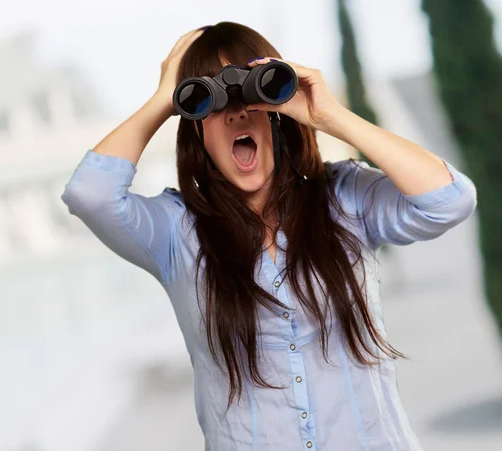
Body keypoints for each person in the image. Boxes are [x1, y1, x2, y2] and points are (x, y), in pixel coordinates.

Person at [61, 22, 477, 451]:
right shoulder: (175, 233)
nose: (237, 112)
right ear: (196, 131)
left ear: (277, 113)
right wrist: (162, 102)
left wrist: (330, 115)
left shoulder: (345, 199)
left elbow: (449, 200)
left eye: (251, 95)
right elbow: (89, 195)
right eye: (211, 101)